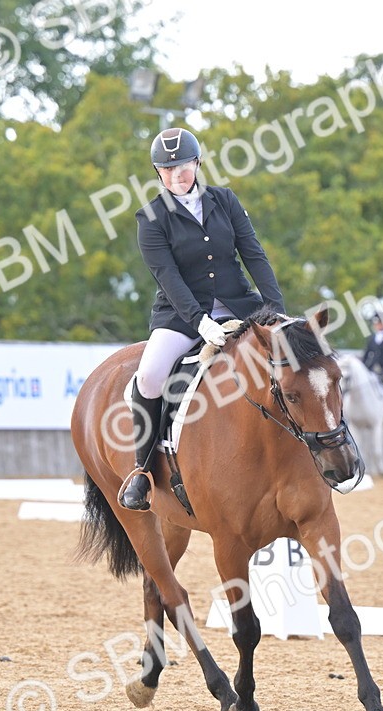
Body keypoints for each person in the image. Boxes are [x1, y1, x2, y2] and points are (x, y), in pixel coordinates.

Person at [120, 126, 287, 511]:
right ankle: (143, 471)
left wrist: (274, 306)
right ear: (158, 173)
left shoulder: (225, 201)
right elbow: (168, 277)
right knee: (149, 376)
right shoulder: (151, 218)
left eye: (184, 165)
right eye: (169, 168)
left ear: (197, 163)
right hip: (181, 314)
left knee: (293, 356)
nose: (178, 174)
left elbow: (253, 254)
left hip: (239, 304)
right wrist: (199, 322)